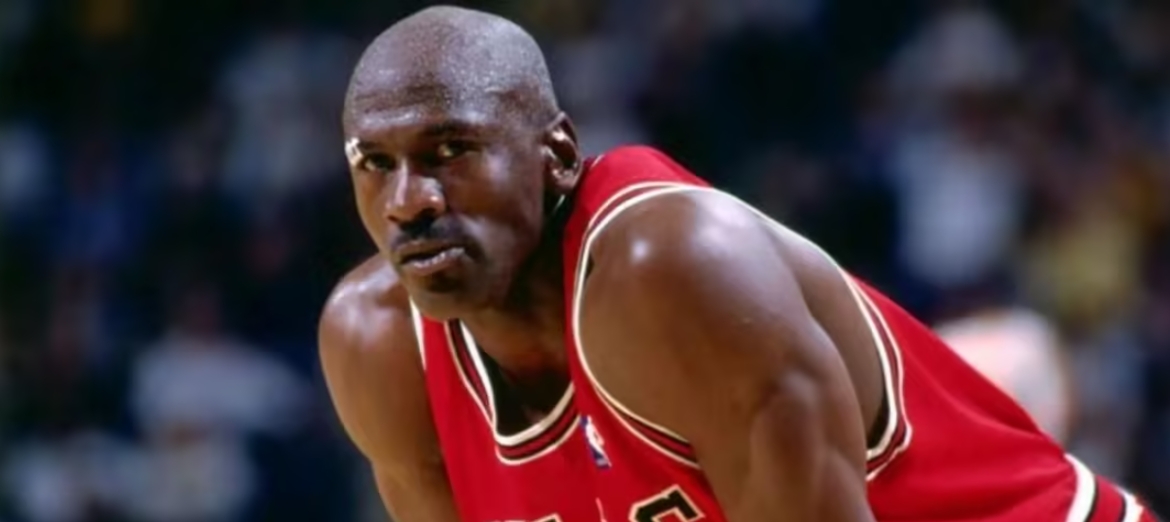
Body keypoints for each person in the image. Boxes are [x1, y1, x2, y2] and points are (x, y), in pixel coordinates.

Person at [318, 6, 1158, 522]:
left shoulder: (668, 269)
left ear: (559, 155)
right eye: (375, 164)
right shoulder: (377, 344)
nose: (408, 200)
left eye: (451, 150)